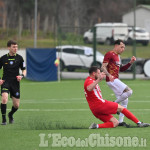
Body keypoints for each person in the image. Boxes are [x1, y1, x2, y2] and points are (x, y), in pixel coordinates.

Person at [84, 66, 149, 129]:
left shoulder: (90, 80)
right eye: (98, 73)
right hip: (100, 105)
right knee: (121, 108)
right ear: (93, 73)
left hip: (94, 109)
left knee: (115, 122)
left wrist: (103, 75)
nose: (99, 74)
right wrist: (98, 79)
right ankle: (139, 123)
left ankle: (96, 126)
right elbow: (89, 88)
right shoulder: (89, 81)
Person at [101, 39, 136, 126]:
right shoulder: (109, 54)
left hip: (115, 79)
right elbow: (103, 67)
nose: (123, 49)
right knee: (129, 91)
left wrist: (130, 63)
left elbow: (122, 69)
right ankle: (113, 105)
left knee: (125, 100)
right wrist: (109, 75)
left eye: (124, 47)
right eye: (121, 47)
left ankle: (120, 121)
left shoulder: (118, 56)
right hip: (112, 80)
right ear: (116, 46)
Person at [0, 40, 26, 125]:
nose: (16, 48)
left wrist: (21, 76)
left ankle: (10, 114)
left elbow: (24, 70)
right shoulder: (3, 58)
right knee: (4, 99)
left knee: (16, 106)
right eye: (13, 47)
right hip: (5, 82)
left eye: (16, 47)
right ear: (8, 47)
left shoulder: (20, 58)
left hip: (15, 83)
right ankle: (3, 119)